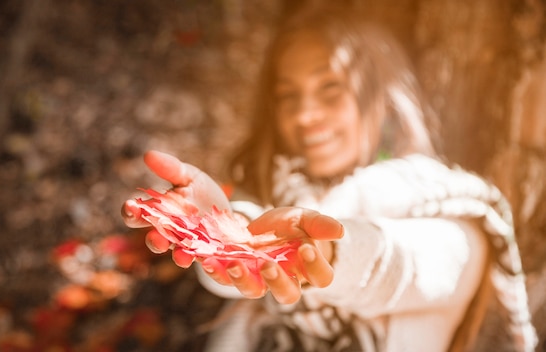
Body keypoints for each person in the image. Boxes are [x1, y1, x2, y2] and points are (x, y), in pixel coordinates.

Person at [122, 6, 537, 352]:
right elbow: (242, 259)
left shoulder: (455, 217)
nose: (304, 116)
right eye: (288, 96)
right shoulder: (271, 197)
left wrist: (324, 249)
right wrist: (224, 225)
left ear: (383, 98)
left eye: (330, 90)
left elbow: (392, 266)